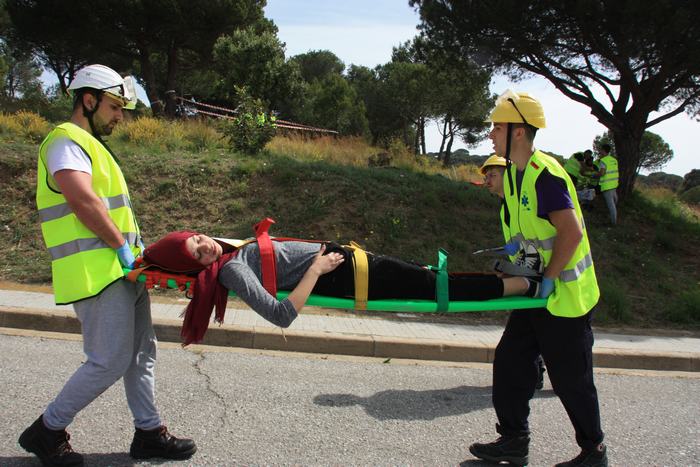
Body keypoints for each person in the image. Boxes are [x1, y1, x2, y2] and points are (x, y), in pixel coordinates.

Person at [20, 64, 196, 466]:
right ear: (88, 100)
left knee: (141, 355)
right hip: (98, 274)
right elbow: (82, 200)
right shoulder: (65, 141)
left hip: (124, 271)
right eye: (115, 107)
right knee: (109, 361)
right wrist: (120, 247)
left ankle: (149, 433)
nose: (120, 116)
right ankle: (47, 430)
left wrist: (142, 258)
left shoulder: (92, 146)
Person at [468, 90, 607, 467]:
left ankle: (594, 451)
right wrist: (514, 264)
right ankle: (514, 440)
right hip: (537, 294)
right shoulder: (515, 176)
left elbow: (571, 233)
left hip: (565, 296)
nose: (491, 134)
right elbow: (531, 238)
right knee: (511, 361)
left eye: (497, 127)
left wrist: (549, 277)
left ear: (518, 131)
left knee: (570, 379)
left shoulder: (545, 175)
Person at [139, 228, 542, 345]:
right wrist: (316, 269)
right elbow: (281, 315)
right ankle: (523, 285)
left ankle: (515, 280)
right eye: (197, 254)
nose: (205, 247)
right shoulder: (231, 271)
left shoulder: (229, 251)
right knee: (439, 287)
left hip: (349, 263)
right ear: (195, 267)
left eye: (197, 240)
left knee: (434, 279)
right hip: (346, 273)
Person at [480, 155, 546, 391]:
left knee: (538, 336)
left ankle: (539, 376)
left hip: (541, 277)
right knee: (529, 334)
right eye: (486, 176)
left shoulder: (520, 203)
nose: (487, 180)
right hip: (528, 275)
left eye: (492, 175)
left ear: (508, 176)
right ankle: (535, 375)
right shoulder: (506, 206)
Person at [596, 144, 619, 225]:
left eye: (600, 150)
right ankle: (612, 217)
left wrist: (595, 175)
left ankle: (613, 223)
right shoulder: (614, 160)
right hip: (614, 184)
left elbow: (602, 173)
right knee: (615, 201)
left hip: (607, 185)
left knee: (611, 205)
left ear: (603, 150)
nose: (599, 151)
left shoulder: (603, 161)